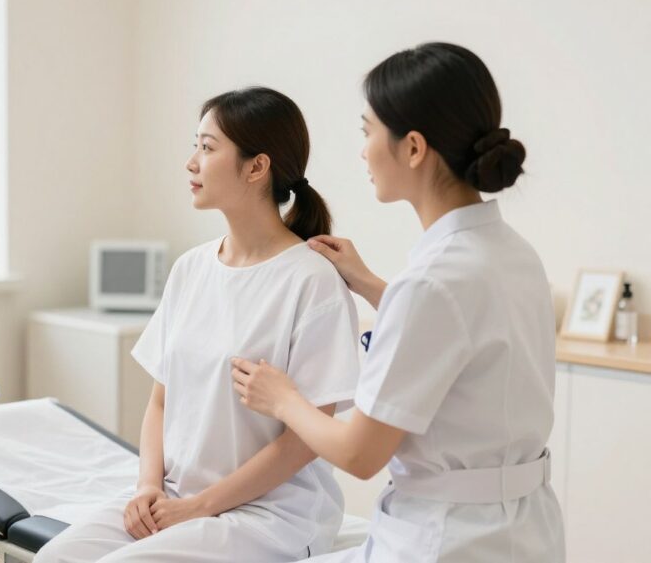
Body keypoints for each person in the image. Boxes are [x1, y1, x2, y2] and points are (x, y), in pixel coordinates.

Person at [232, 42, 565, 562]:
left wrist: (283, 399)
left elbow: (360, 455)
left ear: (412, 147)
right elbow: (461, 338)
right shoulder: (511, 254)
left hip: (446, 539)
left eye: (367, 132)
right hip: (524, 530)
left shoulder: (431, 284)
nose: (362, 150)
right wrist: (368, 283)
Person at [34, 87, 361, 562]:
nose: (191, 163)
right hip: (175, 496)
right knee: (53, 558)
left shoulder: (311, 281)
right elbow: (160, 400)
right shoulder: (191, 268)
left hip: (270, 514)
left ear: (256, 167)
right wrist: (147, 487)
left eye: (207, 149)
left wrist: (200, 507)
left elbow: (305, 440)